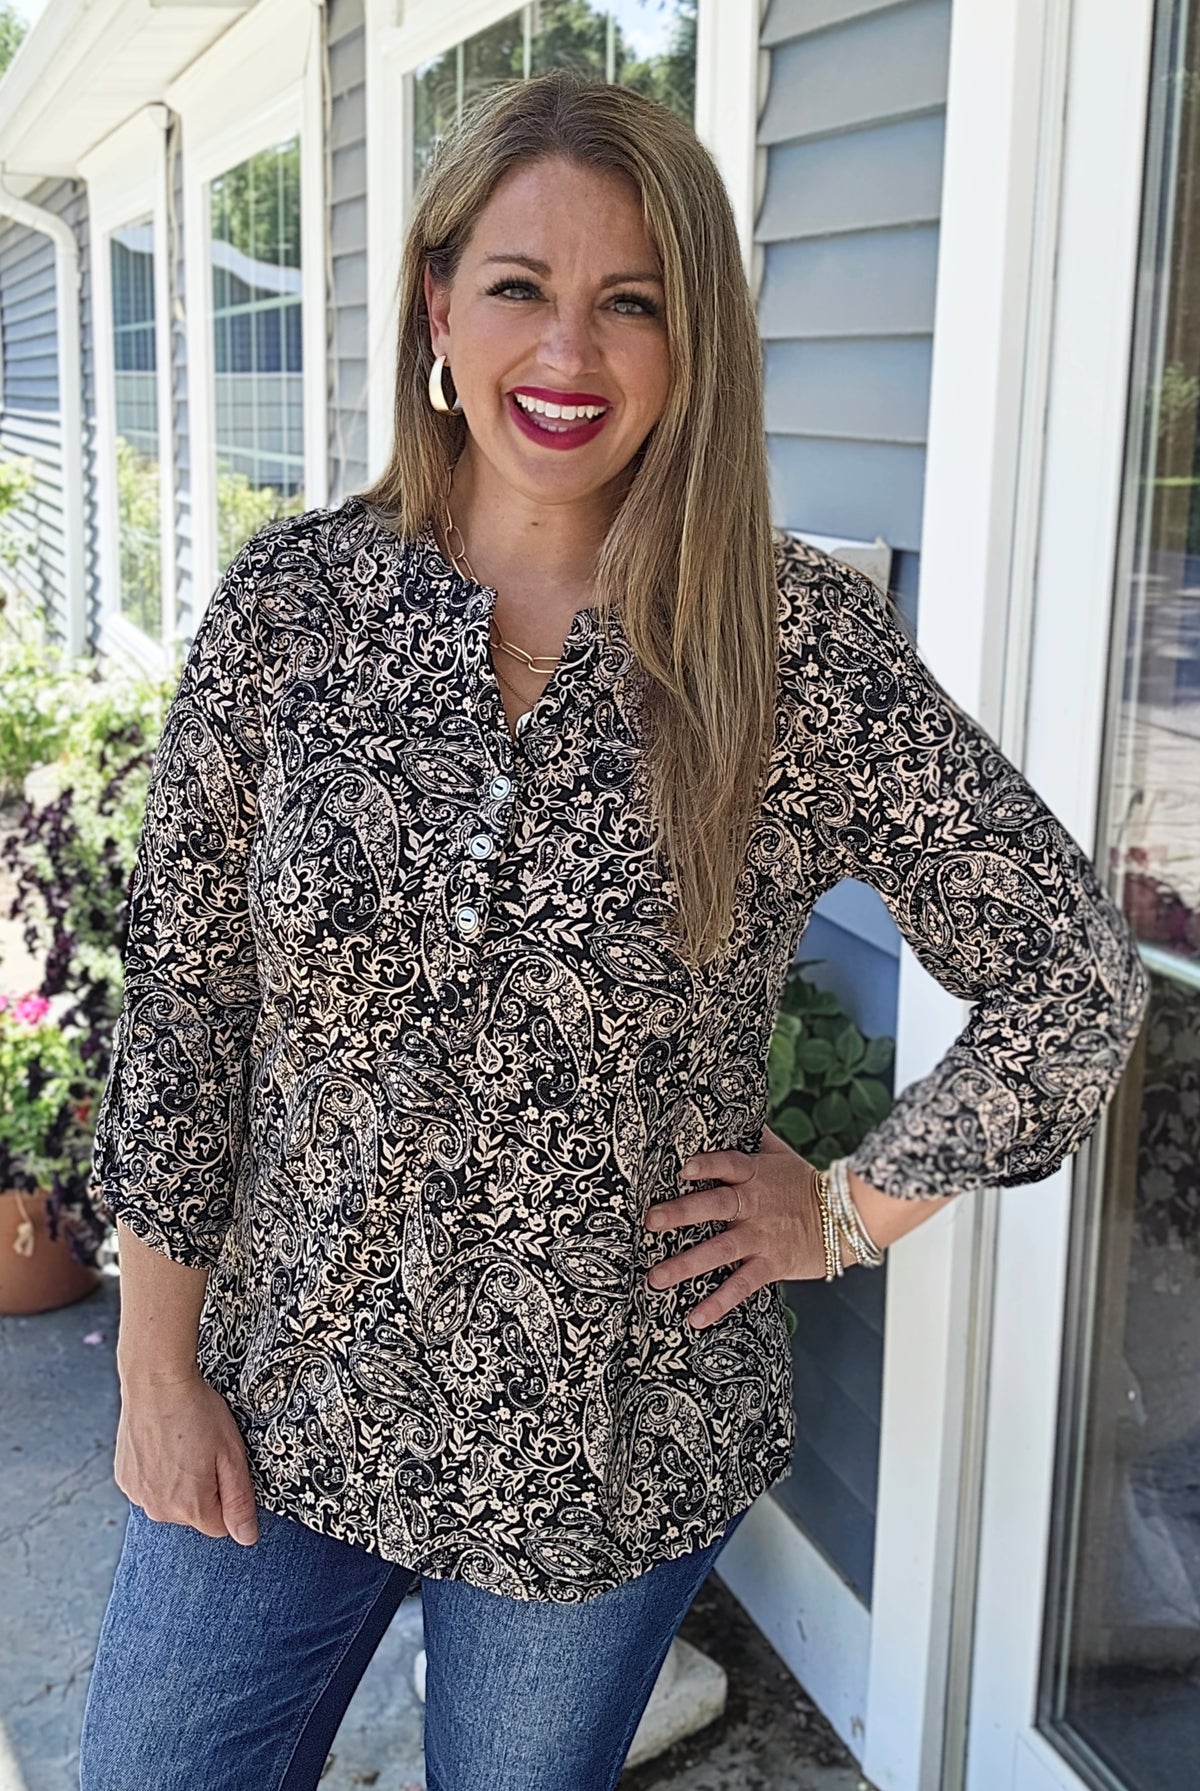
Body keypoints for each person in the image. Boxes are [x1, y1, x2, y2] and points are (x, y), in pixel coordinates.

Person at [77, 68, 1150, 1791]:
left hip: (606, 1449)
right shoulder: (295, 609)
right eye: (520, 287)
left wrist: (849, 1213)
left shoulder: (787, 650)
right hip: (279, 1395)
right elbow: (190, 1007)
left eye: (630, 302)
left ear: (691, 339)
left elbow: (1071, 981)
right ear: (438, 305)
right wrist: (154, 1364)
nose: (568, 352)